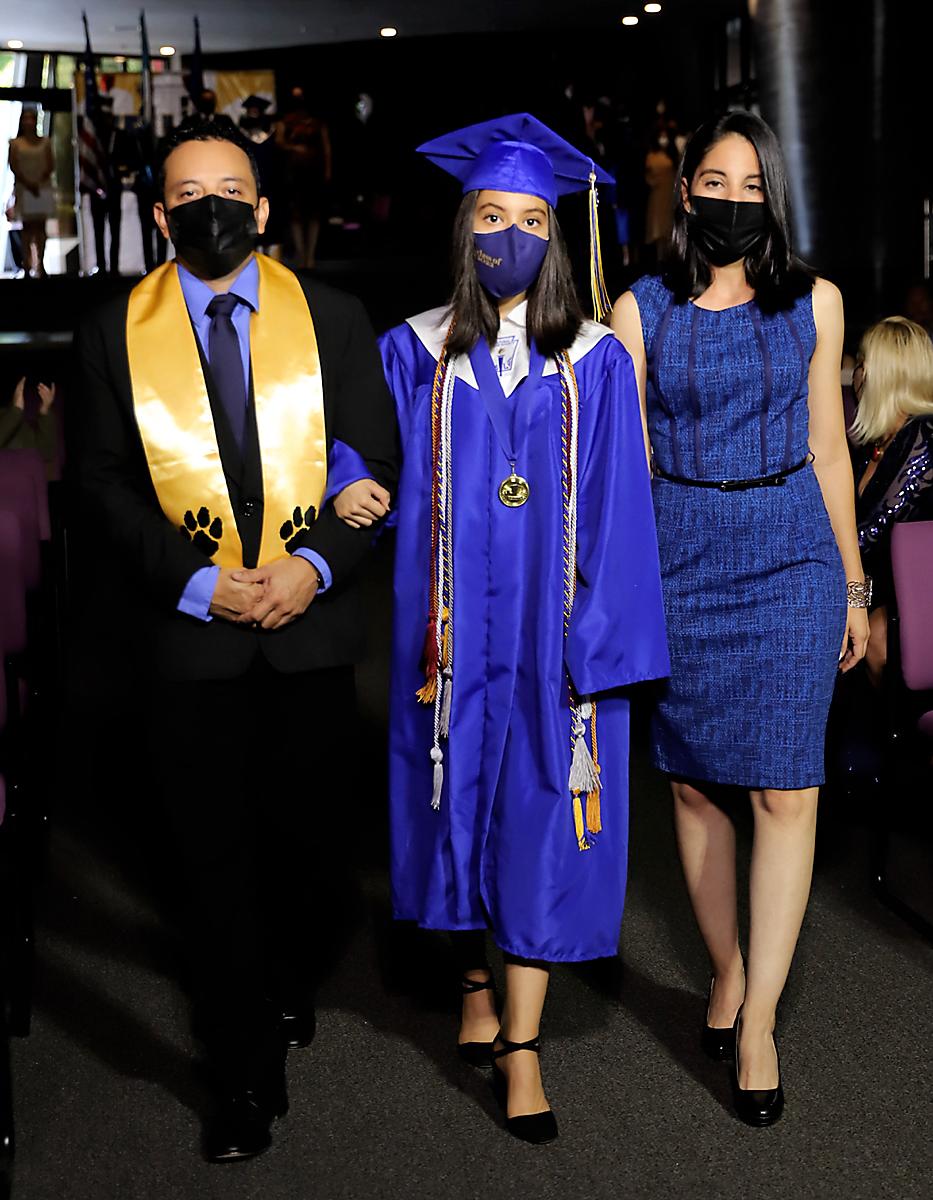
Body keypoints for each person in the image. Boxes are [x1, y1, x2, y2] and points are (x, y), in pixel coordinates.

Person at [331, 113, 669, 1145]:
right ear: (464, 227)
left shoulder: (594, 362)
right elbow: (351, 439)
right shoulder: (412, 349)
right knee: (455, 809)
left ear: (555, 237)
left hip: (556, 641)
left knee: (535, 821)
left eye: (531, 218)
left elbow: (620, 506)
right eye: (492, 215)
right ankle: (475, 973)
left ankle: (521, 1046)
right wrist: (350, 479)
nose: (511, 234)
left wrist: (599, 648)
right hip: (447, 640)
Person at [76, 116, 398, 1163]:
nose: (213, 207)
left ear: (262, 209)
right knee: (208, 864)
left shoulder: (336, 319)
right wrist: (203, 582)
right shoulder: (113, 332)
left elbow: (369, 466)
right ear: (163, 215)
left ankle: (292, 974)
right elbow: (105, 490)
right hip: (192, 642)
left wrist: (310, 570)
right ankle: (244, 1071)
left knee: (312, 850)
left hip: (307, 634)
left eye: (233, 189)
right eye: (189, 193)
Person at [611, 111, 869, 1127]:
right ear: (687, 195)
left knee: (786, 793)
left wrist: (853, 583)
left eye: (751, 185)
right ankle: (724, 969)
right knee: (693, 790)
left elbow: (831, 450)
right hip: (677, 558)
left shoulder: (818, 304)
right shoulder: (639, 309)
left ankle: (759, 1017)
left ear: (774, 200)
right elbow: (621, 469)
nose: (729, 198)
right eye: (713, 182)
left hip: (792, 555)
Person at [851, 316, 933, 684]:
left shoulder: (925, 437)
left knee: (873, 636)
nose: (855, 374)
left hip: (918, 596)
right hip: (884, 589)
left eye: (861, 363)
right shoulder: (875, 446)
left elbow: (874, 531)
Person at [276, 87, 332, 268]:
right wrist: (293, 148)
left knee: (314, 214)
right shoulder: (286, 121)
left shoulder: (317, 123)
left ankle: (311, 255)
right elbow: (279, 141)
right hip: (294, 173)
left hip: (313, 171)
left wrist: (327, 170)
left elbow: (326, 147)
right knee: (296, 214)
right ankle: (301, 253)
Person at [8, 107, 55, 278]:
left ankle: (40, 263)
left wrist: (39, 181)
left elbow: (50, 164)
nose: (29, 122)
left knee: (41, 228)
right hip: (24, 188)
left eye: (31, 118)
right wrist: (28, 183)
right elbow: (13, 166)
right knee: (27, 228)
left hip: (42, 188)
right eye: (25, 119)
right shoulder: (15, 143)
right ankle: (27, 265)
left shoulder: (45, 142)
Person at [0, 377, 59, 476]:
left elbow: (46, 452)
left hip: (26, 485)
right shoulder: (13, 417)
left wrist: (45, 410)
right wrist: (15, 411)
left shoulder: (20, 424)